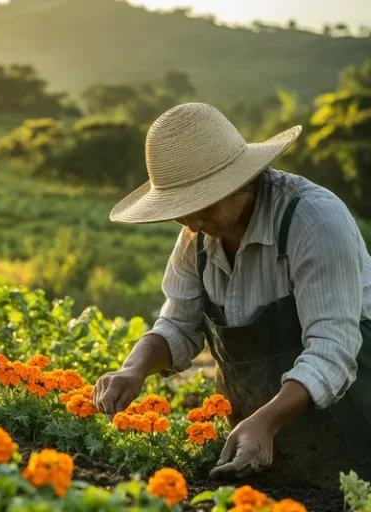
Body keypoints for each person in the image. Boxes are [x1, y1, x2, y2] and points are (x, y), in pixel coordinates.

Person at [96, 102, 371, 488]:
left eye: (200, 205)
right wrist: (135, 368)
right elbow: (179, 324)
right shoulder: (198, 237)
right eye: (180, 211)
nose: (191, 222)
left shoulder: (312, 220)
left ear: (240, 181)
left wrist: (265, 421)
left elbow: (333, 350)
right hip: (262, 444)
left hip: (356, 430)